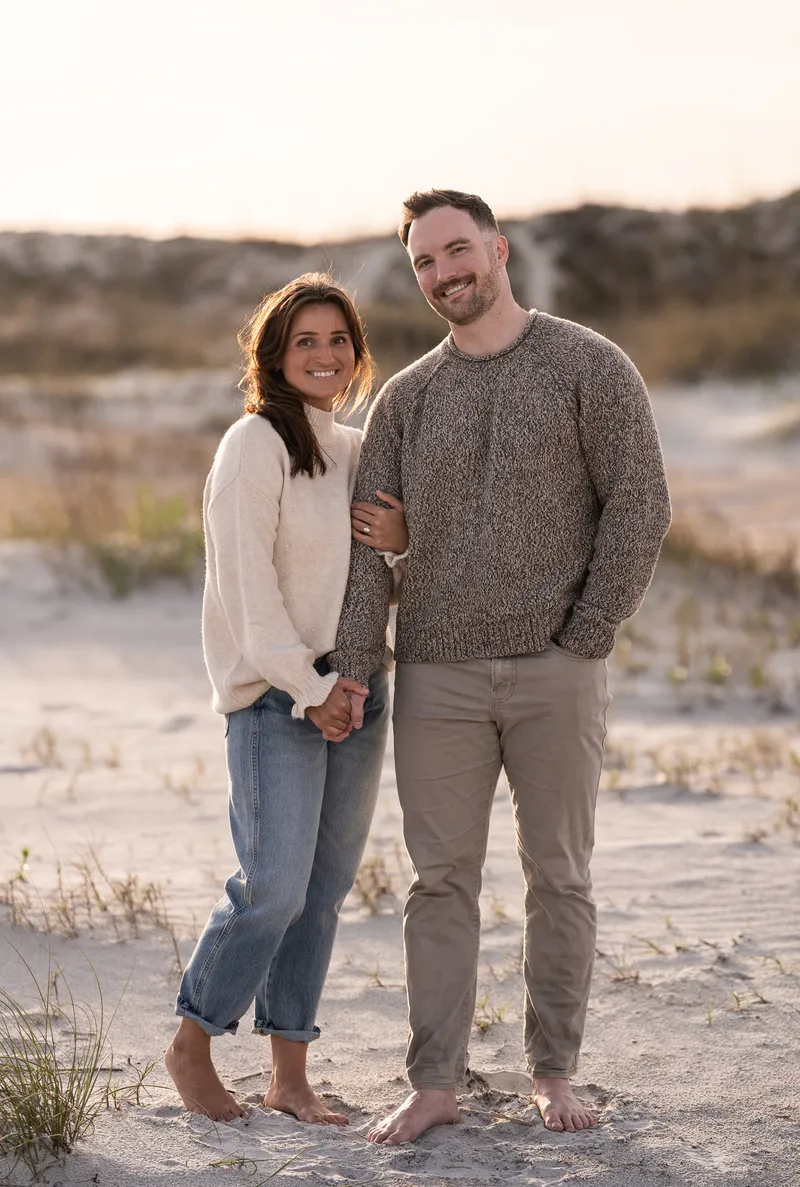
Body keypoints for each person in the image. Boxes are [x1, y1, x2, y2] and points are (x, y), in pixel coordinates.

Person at [329, 190, 672, 1144]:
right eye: (425, 265)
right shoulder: (405, 398)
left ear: (497, 247)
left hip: (557, 668)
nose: (444, 274)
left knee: (559, 874)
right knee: (439, 883)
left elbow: (639, 504)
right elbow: (368, 548)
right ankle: (434, 1079)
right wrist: (357, 664)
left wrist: (590, 632)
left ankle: (553, 1072)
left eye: (455, 250)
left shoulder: (589, 365)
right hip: (436, 675)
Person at [165, 274, 408, 1125]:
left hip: (358, 692)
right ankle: (192, 1041)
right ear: (274, 353)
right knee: (272, 886)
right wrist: (308, 689)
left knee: (323, 889)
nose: (325, 355)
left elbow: (376, 575)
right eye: (305, 340)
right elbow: (246, 586)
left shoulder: (353, 447)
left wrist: (404, 544)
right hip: (277, 700)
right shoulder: (253, 444)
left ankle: (289, 1073)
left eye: (337, 340)